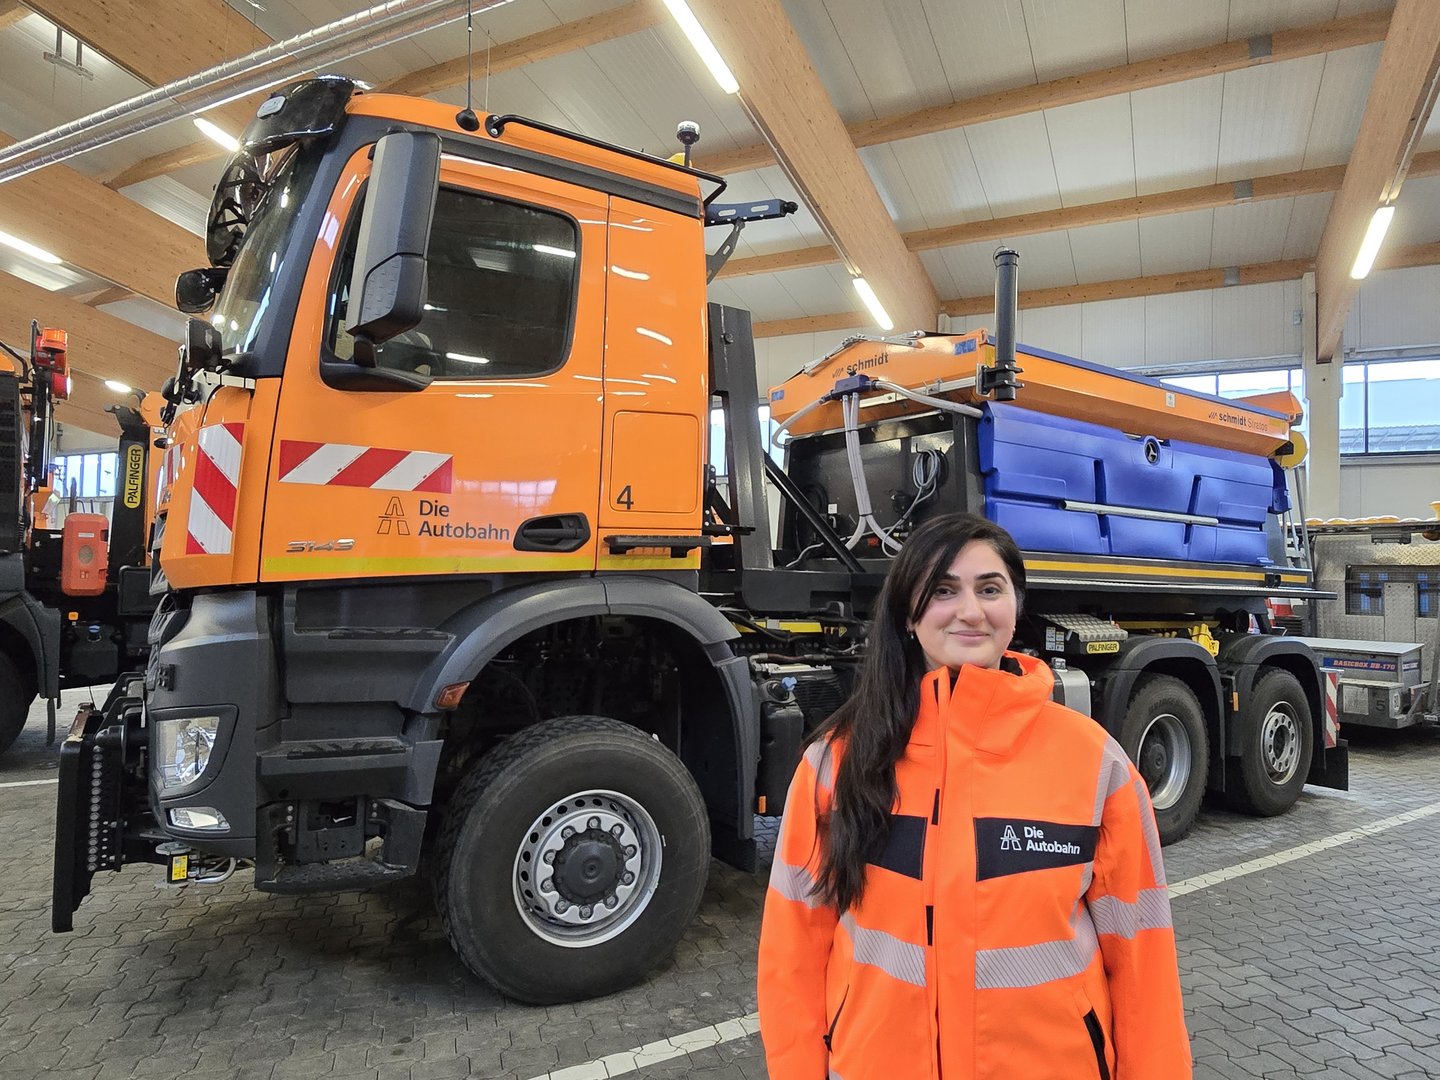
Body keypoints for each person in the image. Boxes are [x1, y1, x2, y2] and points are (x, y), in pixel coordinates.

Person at [757, 512, 1191, 1079]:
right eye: (942, 590)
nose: (969, 610)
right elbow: (794, 951)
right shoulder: (837, 762)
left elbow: (1142, 962)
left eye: (990, 589)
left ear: (1015, 607)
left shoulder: (1093, 762)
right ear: (908, 617)